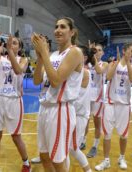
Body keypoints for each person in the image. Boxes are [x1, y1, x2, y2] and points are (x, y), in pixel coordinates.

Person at [32, 17, 83, 172]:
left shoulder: (75, 52)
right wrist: (40, 57)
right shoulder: (53, 55)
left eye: (63, 27)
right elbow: (36, 80)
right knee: (44, 156)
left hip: (61, 110)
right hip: (45, 107)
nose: (58, 30)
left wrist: (44, 52)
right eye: (56, 27)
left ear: (72, 32)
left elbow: (56, 81)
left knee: (58, 160)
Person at [0, 35, 31, 172]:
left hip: (13, 100)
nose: (12, 45)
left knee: (16, 136)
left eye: (15, 43)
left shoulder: (24, 59)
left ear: (20, 47)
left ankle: (26, 164)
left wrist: (9, 52)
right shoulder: (0, 58)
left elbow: (18, 70)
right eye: (10, 43)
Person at [95, 43, 132, 171]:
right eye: (131, 51)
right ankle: (106, 160)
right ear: (124, 51)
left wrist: (128, 62)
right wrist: (117, 61)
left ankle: (121, 157)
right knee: (107, 134)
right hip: (110, 102)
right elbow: (107, 77)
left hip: (124, 104)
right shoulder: (112, 64)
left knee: (123, 135)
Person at [82, 43, 108, 158]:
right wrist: (89, 52)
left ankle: (95, 146)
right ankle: (82, 141)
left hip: (98, 98)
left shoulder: (105, 64)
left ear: (102, 53)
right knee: (85, 121)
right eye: (95, 50)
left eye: (99, 50)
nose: (97, 52)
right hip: (86, 97)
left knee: (97, 124)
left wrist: (93, 57)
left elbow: (98, 70)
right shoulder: (87, 64)